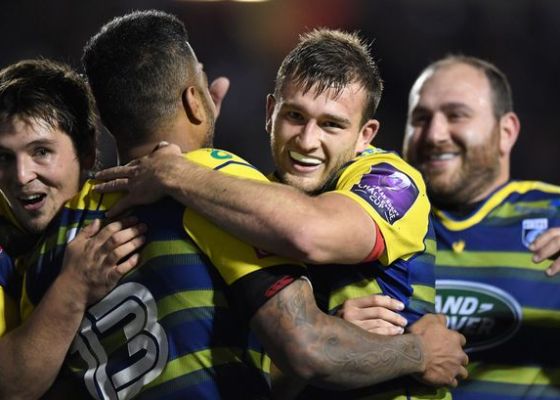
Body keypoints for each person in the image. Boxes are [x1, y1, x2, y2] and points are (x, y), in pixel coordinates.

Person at [19, 11, 468, 400]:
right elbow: (297, 359)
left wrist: (177, 171)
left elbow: (310, 232)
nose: (307, 140)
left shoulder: (389, 178)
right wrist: (404, 348)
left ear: (365, 135)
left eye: (331, 125)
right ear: (269, 112)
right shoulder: (227, 192)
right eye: (294, 116)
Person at [399, 55, 560, 399]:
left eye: (456, 115)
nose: (434, 134)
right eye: (421, 118)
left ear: (506, 132)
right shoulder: (377, 222)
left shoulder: (556, 214)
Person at [0, 59, 146, 399]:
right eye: (4, 157)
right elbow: (9, 387)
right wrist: (74, 287)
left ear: (88, 149)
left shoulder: (139, 200)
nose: (21, 175)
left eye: (41, 152)